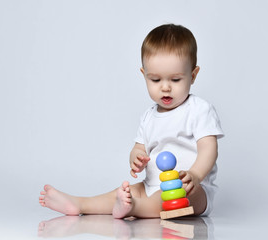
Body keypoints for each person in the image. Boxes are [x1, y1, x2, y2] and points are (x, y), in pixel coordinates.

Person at [39, 24, 224, 219]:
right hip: (151, 185)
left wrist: (195, 175)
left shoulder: (199, 109)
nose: (165, 88)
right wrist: (136, 158)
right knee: (129, 192)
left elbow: (208, 149)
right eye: (155, 80)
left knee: (171, 198)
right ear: (144, 75)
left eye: (176, 79)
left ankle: (133, 208)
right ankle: (80, 203)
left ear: (193, 76)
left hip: (192, 190)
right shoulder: (148, 116)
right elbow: (139, 147)